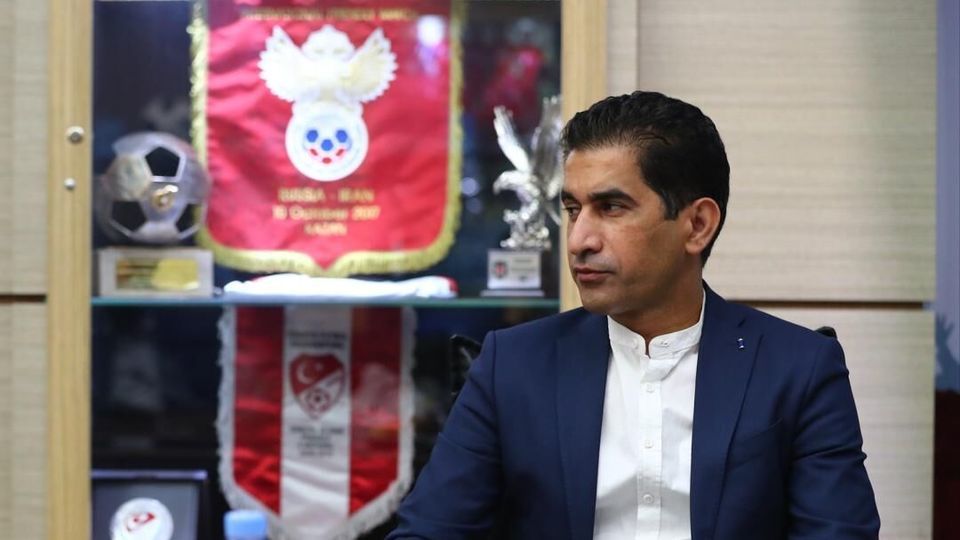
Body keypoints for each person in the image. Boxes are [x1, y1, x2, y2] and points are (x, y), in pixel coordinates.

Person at [387, 91, 880, 539]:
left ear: (697, 225)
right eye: (573, 209)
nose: (579, 240)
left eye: (611, 208)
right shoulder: (512, 366)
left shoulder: (798, 369)